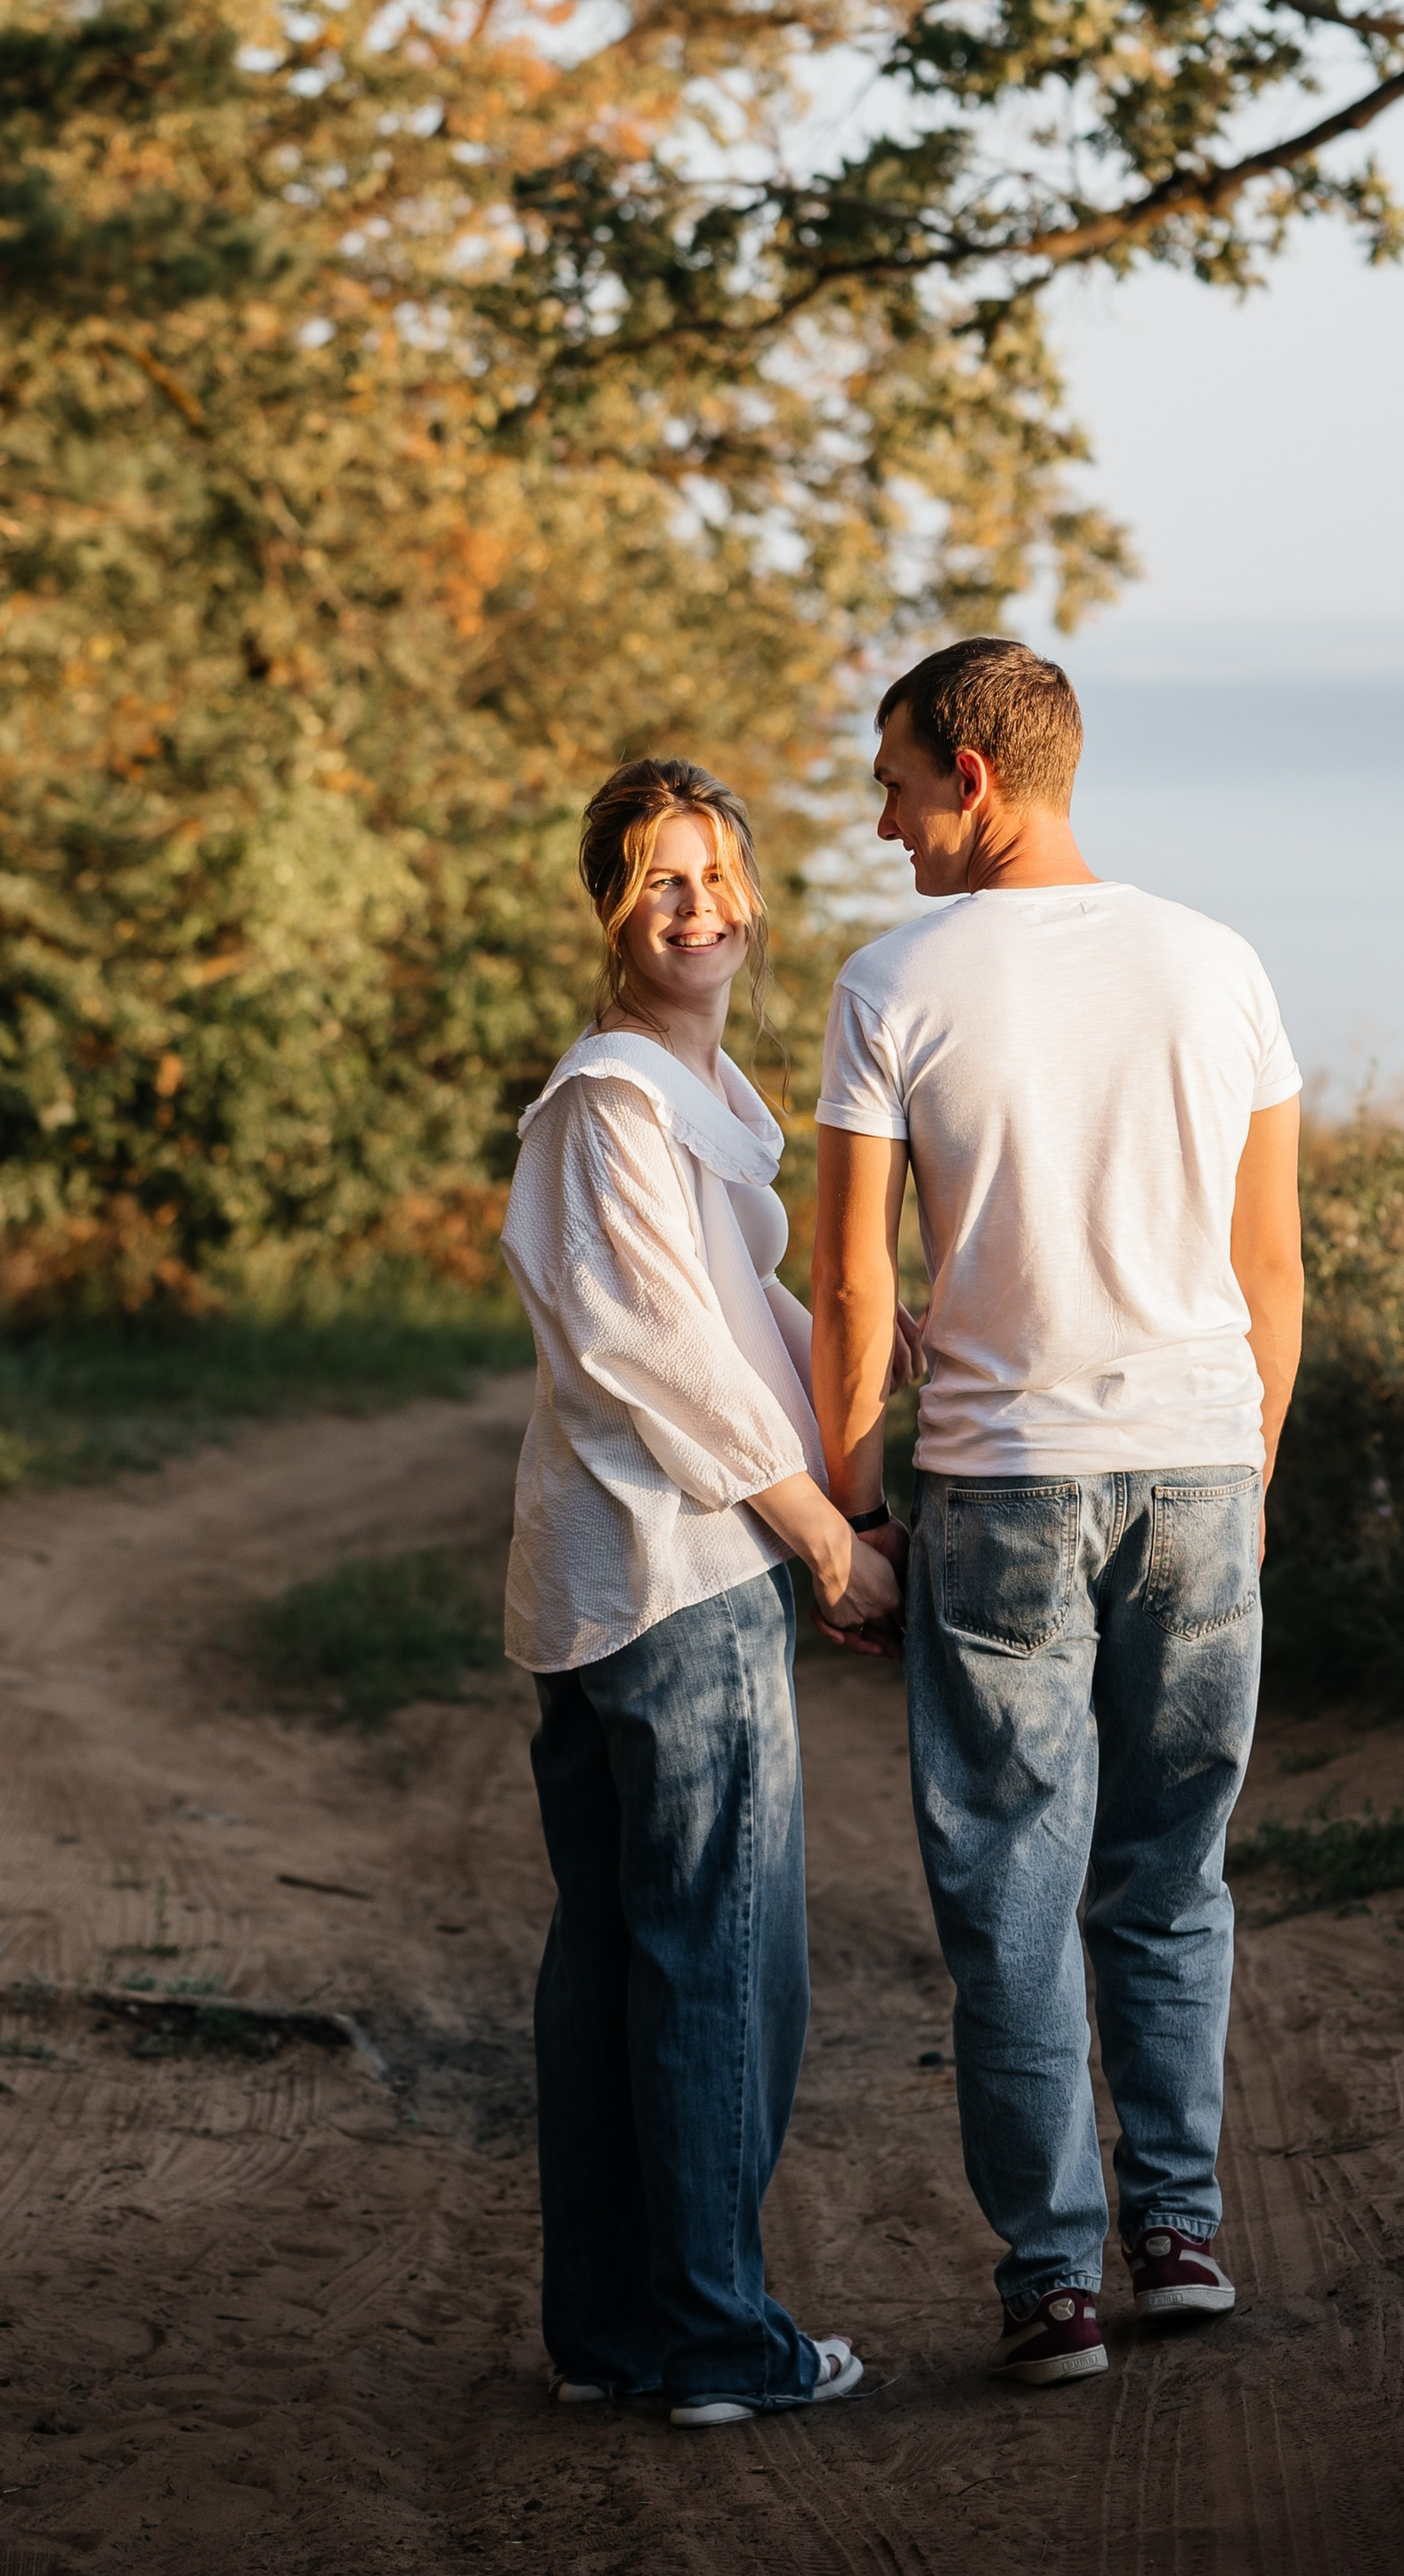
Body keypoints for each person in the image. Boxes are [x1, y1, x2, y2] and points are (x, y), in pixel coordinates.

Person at [811, 640, 1305, 2386]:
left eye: (890, 783)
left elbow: (854, 1289)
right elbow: (1267, 1269)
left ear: (970, 772)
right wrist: (1236, 1476)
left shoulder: (891, 980)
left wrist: (854, 1506)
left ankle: (1051, 2289)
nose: (880, 823)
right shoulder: (1216, 963)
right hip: (1191, 1472)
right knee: (1169, 1879)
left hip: (1002, 1487)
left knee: (1009, 1895)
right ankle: (1177, 2238)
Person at [499, 756, 903, 2426]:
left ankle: (612, 2328)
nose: (699, 905)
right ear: (611, 906)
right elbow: (657, 1355)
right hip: (675, 1578)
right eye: (661, 878)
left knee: (623, 1960)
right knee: (718, 1968)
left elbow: (751, 1323)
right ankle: (719, 2342)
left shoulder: (704, 1098)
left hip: (630, 1582)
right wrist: (823, 1532)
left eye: (718, 872)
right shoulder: (612, 1100)